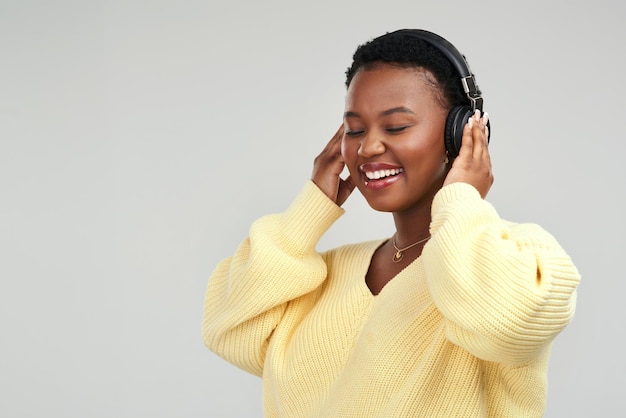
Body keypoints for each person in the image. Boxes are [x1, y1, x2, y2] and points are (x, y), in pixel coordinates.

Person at [202, 29, 580, 417]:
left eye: (396, 126)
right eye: (355, 130)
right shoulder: (327, 275)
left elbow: (502, 322)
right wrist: (307, 212)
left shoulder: (520, 258)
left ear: (460, 133)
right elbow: (231, 332)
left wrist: (462, 199)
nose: (367, 148)